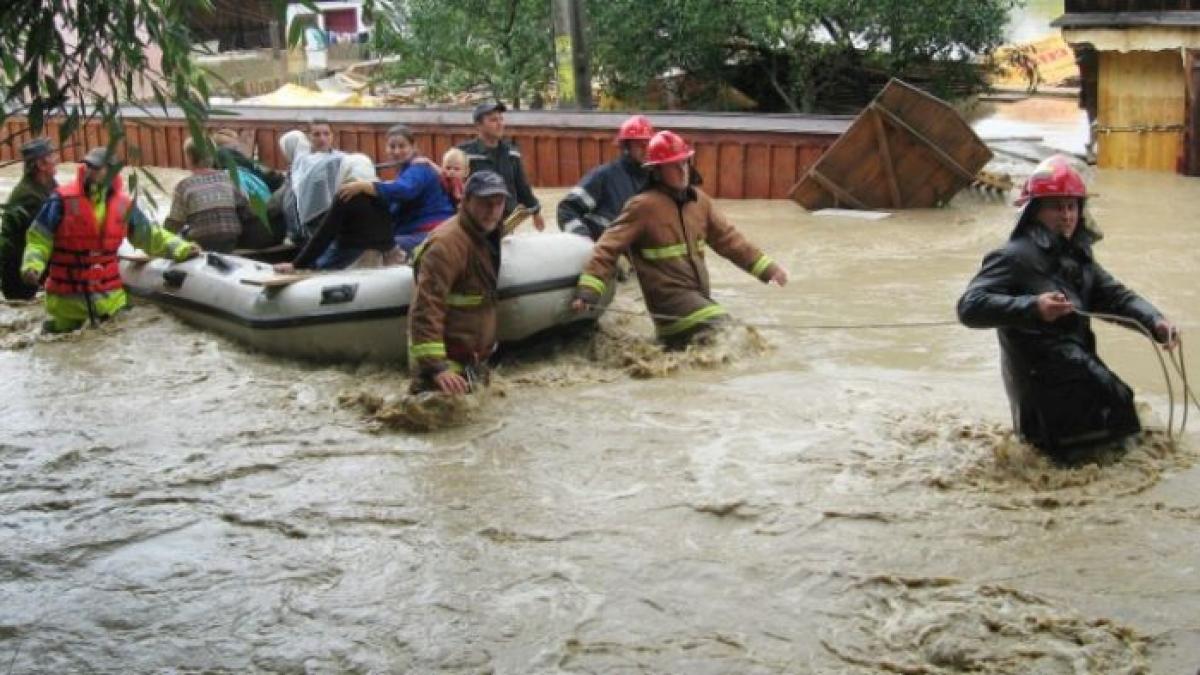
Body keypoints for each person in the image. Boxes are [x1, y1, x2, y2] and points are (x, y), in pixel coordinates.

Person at [957, 155, 1180, 462]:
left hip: (1076, 369)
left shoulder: (1079, 256)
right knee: (1108, 424)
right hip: (1041, 383)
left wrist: (1156, 322)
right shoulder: (1013, 257)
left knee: (1119, 417)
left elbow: (1116, 298)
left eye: (1071, 206)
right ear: (1035, 211)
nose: (1066, 216)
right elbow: (970, 306)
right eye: (1056, 207)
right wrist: (1033, 307)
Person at [570, 130, 789, 346]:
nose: (682, 169)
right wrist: (588, 291)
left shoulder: (700, 202)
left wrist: (770, 270)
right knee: (732, 335)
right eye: (674, 165)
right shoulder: (642, 206)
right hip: (670, 308)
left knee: (732, 342)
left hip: (697, 300)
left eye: (684, 162)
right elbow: (607, 247)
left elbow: (731, 242)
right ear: (656, 171)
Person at [21, 147, 200, 333]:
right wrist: (32, 266)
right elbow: (39, 239)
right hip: (66, 304)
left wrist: (182, 248)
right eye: (89, 165)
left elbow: (150, 236)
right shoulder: (60, 200)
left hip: (110, 300)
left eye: (98, 167)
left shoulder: (123, 204)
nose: (91, 170)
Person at [407, 171, 508, 395]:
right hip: (445, 368)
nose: (492, 211)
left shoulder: (486, 234)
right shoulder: (446, 245)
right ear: (466, 200)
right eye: (484, 203)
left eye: (498, 203)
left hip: (472, 361)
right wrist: (436, 368)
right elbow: (426, 307)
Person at [336, 124, 455, 258]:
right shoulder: (404, 172)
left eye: (402, 146)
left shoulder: (419, 168)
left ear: (413, 147)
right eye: (392, 147)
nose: (397, 151)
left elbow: (404, 190)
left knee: (375, 250)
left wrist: (367, 186)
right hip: (418, 233)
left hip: (432, 234)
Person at [276, 154, 403, 272]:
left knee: (317, 266)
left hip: (350, 257)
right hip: (383, 255)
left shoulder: (346, 195)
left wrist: (296, 265)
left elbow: (325, 234)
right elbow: (387, 231)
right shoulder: (381, 194)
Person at [557, 114, 654, 240]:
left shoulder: (655, 179)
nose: (646, 149)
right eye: (640, 145)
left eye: (649, 144)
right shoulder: (604, 176)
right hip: (606, 255)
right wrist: (582, 239)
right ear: (626, 146)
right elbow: (567, 210)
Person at [456, 101, 545, 230]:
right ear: (478, 125)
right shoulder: (464, 154)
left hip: (506, 222)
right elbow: (450, 184)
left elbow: (522, 187)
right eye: (493, 120)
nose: (500, 124)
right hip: (474, 223)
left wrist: (535, 212)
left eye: (501, 119)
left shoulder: (512, 153)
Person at [164, 138, 262, 253]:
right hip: (230, 238)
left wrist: (163, 238)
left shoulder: (184, 186)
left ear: (189, 158)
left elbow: (174, 223)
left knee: (181, 236)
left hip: (200, 240)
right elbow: (247, 210)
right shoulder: (230, 178)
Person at [1, 138, 58, 300]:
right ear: (41, 165)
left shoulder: (48, 183)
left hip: (36, 267)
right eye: (52, 156)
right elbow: (52, 233)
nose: (57, 160)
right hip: (21, 278)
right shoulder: (28, 197)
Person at [279, 129, 344, 245]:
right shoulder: (323, 160)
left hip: (313, 232)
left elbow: (291, 206)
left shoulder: (298, 171)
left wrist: (294, 235)